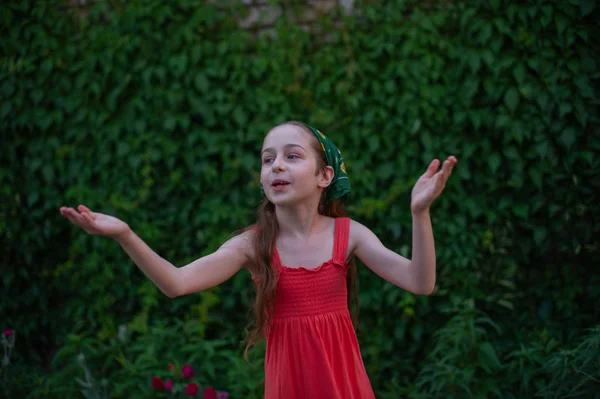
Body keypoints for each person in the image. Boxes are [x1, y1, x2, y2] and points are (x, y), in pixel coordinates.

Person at [59, 121, 457, 399]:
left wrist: (419, 214)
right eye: (268, 160)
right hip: (289, 386)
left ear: (325, 176)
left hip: (343, 386)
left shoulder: (348, 235)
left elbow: (420, 283)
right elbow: (175, 283)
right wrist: (126, 235)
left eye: (292, 156)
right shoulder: (253, 246)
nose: (276, 165)